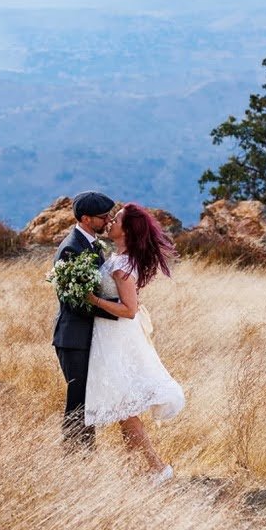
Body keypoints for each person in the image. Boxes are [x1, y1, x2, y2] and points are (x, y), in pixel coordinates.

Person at [85, 202, 185, 483]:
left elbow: (129, 309)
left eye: (115, 219)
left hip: (117, 337)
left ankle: (158, 468)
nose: (110, 222)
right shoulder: (117, 258)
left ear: (126, 230)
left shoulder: (122, 265)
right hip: (111, 335)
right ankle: (136, 472)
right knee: (123, 409)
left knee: (126, 409)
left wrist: (94, 300)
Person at [52, 190, 118, 449]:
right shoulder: (71, 248)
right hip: (74, 338)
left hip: (86, 336)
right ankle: (74, 453)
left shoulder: (90, 244)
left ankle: (85, 454)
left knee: (88, 399)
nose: (108, 220)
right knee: (78, 399)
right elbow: (76, 302)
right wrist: (118, 311)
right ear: (86, 218)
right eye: (103, 217)